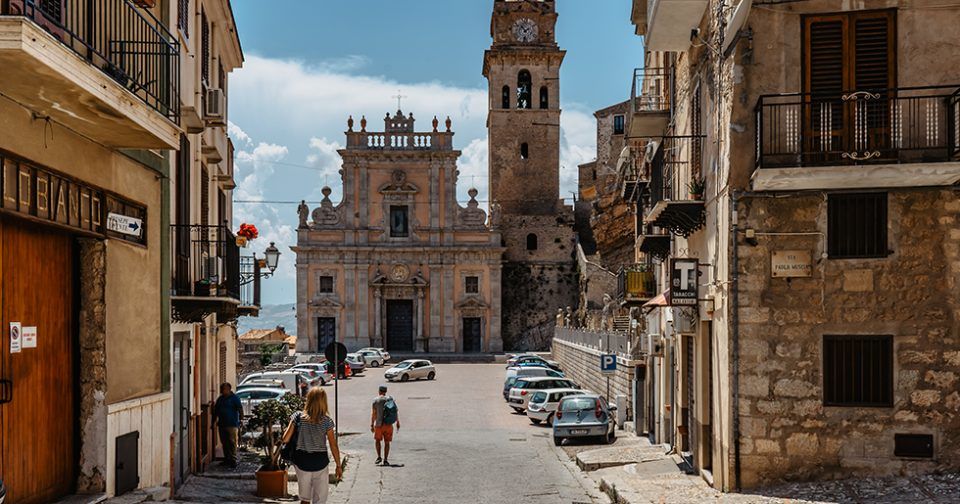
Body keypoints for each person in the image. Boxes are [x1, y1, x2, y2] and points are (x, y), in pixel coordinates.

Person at [282, 387, 342, 504]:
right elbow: (333, 445)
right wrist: (338, 465)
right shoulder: (327, 421)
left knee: (305, 499)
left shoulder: (297, 417)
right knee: (320, 499)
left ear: (308, 400)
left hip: (302, 461)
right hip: (320, 462)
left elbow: (285, 439)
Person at [213, 383, 243, 468]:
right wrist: (214, 421)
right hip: (222, 424)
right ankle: (227, 459)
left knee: (232, 442)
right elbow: (216, 411)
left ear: (229, 389)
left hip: (232, 424)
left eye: (224, 389)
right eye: (222, 389)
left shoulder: (235, 398)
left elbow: (240, 408)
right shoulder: (220, 399)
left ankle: (233, 460)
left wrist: (241, 420)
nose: (222, 391)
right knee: (224, 443)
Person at [371, 384, 400, 466]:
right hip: (388, 425)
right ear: (386, 392)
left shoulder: (375, 400)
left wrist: (371, 424)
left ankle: (379, 456)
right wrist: (397, 422)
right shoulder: (390, 399)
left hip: (379, 425)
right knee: (387, 442)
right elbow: (395, 411)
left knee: (377, 441)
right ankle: (386, 459)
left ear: (379, 391)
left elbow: (374, 413)